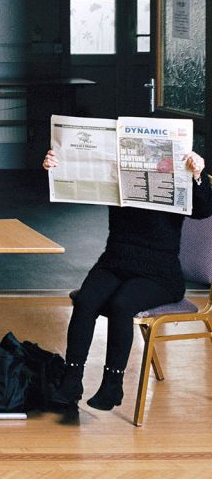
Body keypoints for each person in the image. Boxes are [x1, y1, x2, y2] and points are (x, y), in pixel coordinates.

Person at [45, 146, 212, 410]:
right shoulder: (115, 163)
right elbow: (80, 179)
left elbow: (203, 210)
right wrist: (58, 165)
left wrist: (198, 176)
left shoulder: (179, 169)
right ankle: (71, 380)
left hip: (160, 273)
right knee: (86, 300)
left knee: (121, 304)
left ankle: (113, 385)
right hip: (116, 260)